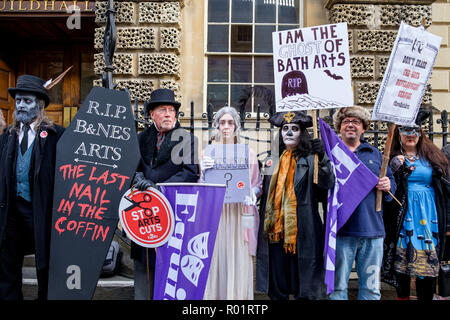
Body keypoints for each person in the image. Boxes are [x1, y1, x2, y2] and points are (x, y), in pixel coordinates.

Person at [256, 110, 334, 300]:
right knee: (277, 285)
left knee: (304, 285)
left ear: (302, 133)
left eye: (294, 129)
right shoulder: (270, 161)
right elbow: (262, 191)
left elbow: (327, 184)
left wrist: (323, 158)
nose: (289, 133)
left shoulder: (312, 159)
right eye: (285, 129)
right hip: (275, 232)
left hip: (303, 230)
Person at [0, 75, 64, 300]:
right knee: (7, 264)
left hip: (41, 211)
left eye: (26, 101)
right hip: (11, 212)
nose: (20, 105)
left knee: (45, 265)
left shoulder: (57, 136)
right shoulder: (7, 136)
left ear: (39, 104)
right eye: (18, 101)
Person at [131, 88, 199, 300]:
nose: (169, 114)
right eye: (163, 110)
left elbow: (190, 173)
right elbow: (130, 166)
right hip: (142, 215)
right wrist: (138, 179)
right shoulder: (140, 138)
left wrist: (159, 188)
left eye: (172, 110)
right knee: (143, 267)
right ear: (152, 114)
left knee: (170, 266)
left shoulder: (188, 140)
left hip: (172, 212)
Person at [328, 106, 396, 300]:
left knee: (371, 290)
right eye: (346, 121)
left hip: (372, 231)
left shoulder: (376, 155)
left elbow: (392, 190)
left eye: (356, 122)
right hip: (341, 231)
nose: (350, 125)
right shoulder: (330, 154)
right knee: (338, 289)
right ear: (339, 128)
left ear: (364, 128)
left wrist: (388, 184)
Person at [381, 109, 450, 300]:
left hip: (430, 216)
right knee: (402, 262)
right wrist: (392, 168)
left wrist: (449, 223)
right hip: (403, 214)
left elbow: (446, 192)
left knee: (427, 265)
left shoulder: (433, 156)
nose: (411, 135)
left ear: (421, 133)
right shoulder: (390, 156)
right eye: (405, 130)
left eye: (415, 130)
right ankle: (402, 297)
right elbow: (383, 188)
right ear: (398, 133)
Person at [200, 106, 262, 300]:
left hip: (238, 214)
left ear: (236, 126)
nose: (226, 126)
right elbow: (201, 189)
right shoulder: (206, 153)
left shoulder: (249, 153)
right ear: (216, 125)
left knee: (237, 259)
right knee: (216, 259)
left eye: (230, 122)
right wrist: (203, 173)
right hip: (217, 215)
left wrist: (253, 192)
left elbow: (257, 183)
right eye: (222, 122)